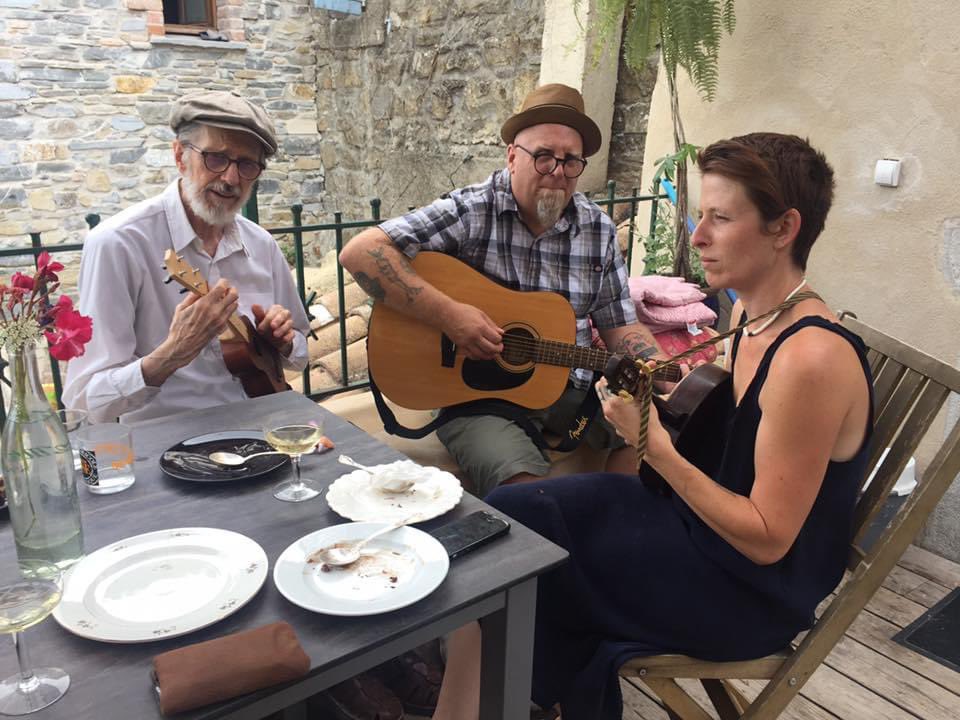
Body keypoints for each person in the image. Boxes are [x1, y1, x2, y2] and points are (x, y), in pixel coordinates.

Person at [430, 132, 874, 720]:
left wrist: (655, 447)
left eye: (720, 218)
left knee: (524, 565)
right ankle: (476, 704)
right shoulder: (750, 312)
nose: (697, 237)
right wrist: (654, 404)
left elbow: (768, 539)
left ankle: (490, 703)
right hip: (696, 534)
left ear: (783, 228)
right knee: (508, 522)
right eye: (698, 216)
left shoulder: (810, 359)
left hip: (742, 592)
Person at [340, 83, 663, 498]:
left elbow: (620, 327)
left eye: (570, 161)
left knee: (650, 440)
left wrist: (660, 367)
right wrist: (451, 317)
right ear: (513, 156)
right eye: (543, 156)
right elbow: (362, 253)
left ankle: (606, 529)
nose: (557, 173)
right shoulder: (473, 209)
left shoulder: (597, 228)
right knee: (527, 493)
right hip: (478, 398)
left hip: (575, 393)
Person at [63, 90, 310, 424]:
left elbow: (300, 354)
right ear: (180, 156)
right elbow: (86, 402)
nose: (231, 179)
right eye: (216, 158)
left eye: (247, 164)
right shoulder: (119, 243)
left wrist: (282, 340)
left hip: (261, 424)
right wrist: (171, 354)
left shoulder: (261, 244)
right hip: (164, 446)